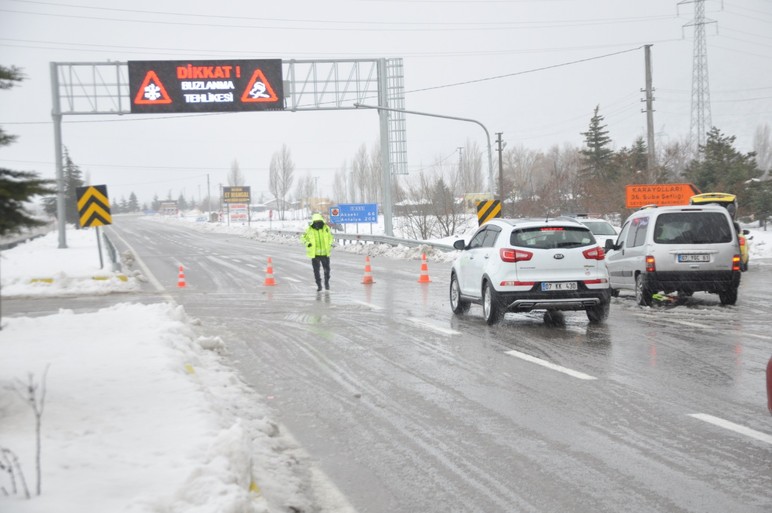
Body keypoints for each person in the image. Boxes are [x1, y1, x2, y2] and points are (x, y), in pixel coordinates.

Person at [302, 213, 333, 291]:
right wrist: (307, 243)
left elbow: (330, 237)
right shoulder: (309, 230)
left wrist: (330, 244)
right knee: (316, 271)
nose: (317, 223)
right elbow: (303, 238)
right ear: (313, 222)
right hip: (315, 254)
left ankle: (326, 283)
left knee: (327, 270)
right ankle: (319, 285)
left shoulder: (326, 229)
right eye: (316, 222)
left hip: (325, 254)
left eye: (319, 221)